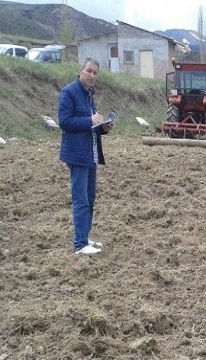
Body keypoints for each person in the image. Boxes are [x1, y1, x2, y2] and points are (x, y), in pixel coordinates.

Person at [58, 58, 113, 255]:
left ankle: (84, 237)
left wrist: (103, 128)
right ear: (81, 70)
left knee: (89, 198)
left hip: (91, 154)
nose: (91, 75)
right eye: (89, 71)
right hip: (76, 154)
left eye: (95, 73)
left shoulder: (90, 96)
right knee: (80, 199)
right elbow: (64, 122)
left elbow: (91, 126)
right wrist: (89, 120)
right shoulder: (69, 92)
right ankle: (80, 245)